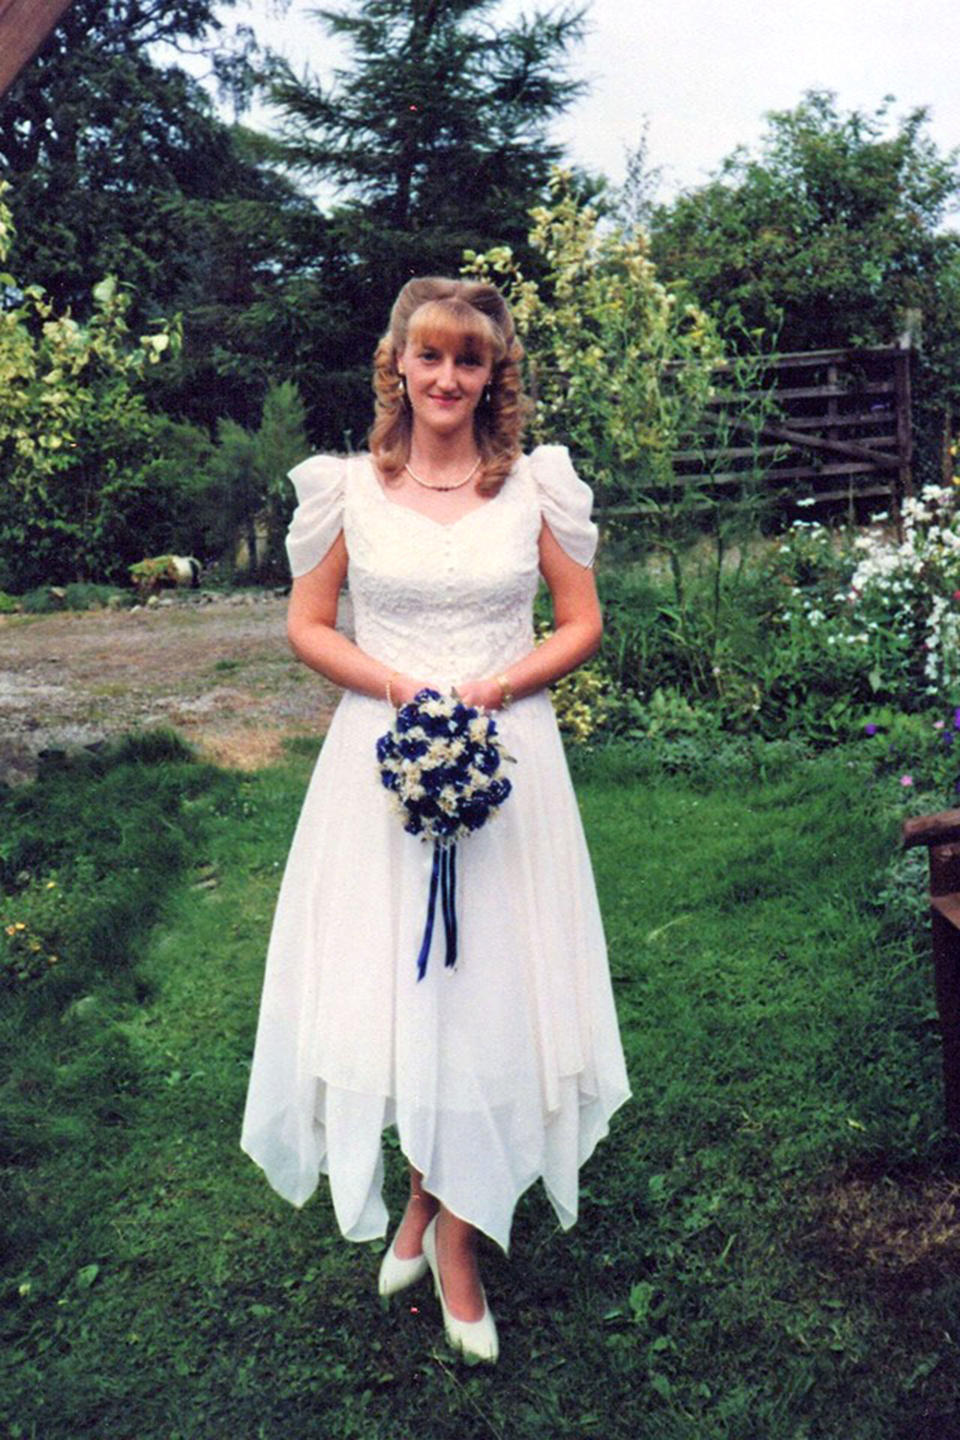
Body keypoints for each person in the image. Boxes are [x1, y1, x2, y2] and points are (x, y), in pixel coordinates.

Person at [241, 276, 630, 1364]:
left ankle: (456, 1235)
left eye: (471, 360)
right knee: (403, 988)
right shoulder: (345, 491)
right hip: (381, 763)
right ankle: (424, 1193)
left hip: (514, 766)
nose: (449, 378)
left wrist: (494, 692)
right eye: (431, 357)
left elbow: (583, 620)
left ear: (492, 375)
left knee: (494, 987)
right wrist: (407, 693)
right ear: (398, 367)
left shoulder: (536, 490)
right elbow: (308, 625)